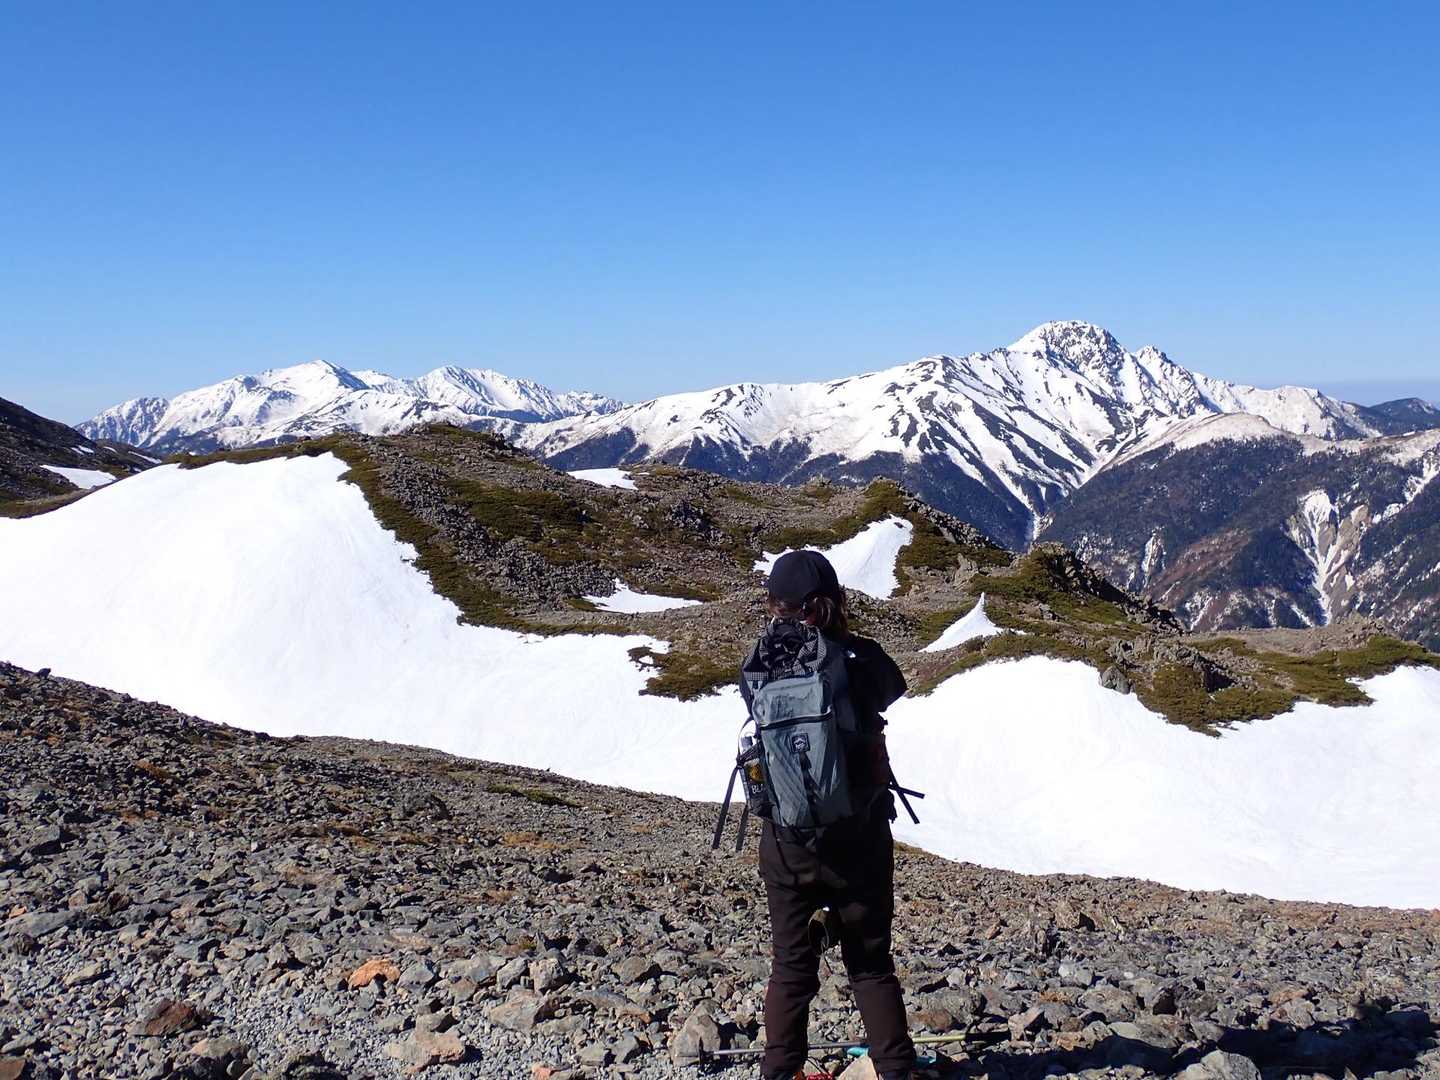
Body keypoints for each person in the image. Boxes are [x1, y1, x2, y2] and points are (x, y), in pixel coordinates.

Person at [739, 549, 916, 1080]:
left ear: (775, 604)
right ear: (828, 602)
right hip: (858, 839)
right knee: (870, 964)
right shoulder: (858, 660)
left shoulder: (758, 665)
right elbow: (893, 687)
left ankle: (780, 1072)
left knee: (792, 967)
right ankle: (895, 1071)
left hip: (787, 843)